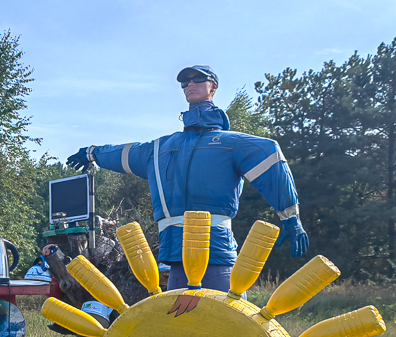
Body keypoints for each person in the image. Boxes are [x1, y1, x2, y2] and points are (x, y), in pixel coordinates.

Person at [67, 65, 308, 292]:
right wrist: (92, 153)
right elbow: (123, 153)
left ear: (213, 86)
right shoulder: (159, 148)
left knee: (227, 325)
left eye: (197, 79)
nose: (189, 84)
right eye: (185, 82)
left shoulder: (230, 144)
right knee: (180, 329)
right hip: (174, 255)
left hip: (216, 253)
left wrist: (290, 217)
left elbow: (270, 153)